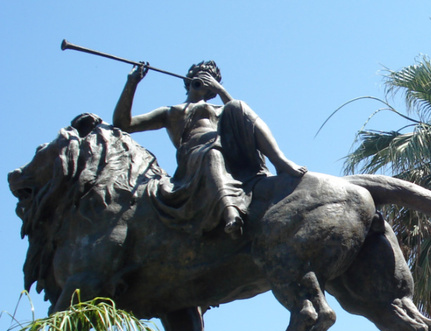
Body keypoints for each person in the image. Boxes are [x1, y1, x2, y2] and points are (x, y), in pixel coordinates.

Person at [113, 61, 306, 238]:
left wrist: (220, 90)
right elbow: (124, 124)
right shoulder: (171, 112)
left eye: (208, 77)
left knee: (238, 105)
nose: (203, 78)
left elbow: (242, 120)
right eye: (199, 74)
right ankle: (230, 210)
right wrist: (132, 83)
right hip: (196, 155)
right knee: (212, 152)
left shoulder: (222, 108)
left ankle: (279, 160)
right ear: (188, 79)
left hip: (232, 151)